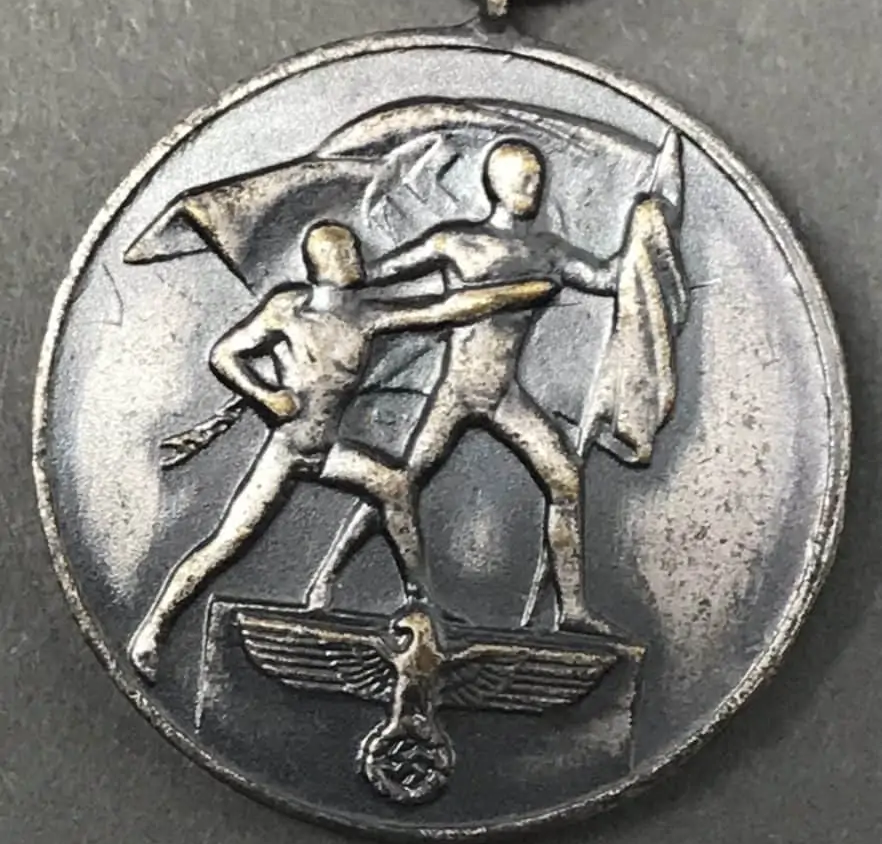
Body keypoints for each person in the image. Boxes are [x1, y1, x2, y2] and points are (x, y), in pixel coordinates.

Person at [128, 220, 557, 681]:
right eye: (347, 251)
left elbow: (446, 308)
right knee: (227, 543)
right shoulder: (288, 309)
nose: (357, 257)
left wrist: (520, 293)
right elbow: (224, 355)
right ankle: (154, 630)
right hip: (288, 449)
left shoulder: (366, 315)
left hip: (329, 450)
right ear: (324, 263)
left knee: (394, 486)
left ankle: (422, 599)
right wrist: (266, 396)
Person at [308, 140, 621, 633]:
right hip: (457, 392)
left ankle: (575, 611)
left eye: (537, 177)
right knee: (401, 484)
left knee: (565, 479)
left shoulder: (549, 252)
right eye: (523, 178)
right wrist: (329, 273)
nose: (534, 186)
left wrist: (646, 231)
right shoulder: (454, 241)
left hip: (504, 395)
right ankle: (326, 580)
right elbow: (373, 277)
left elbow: (606, 278)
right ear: (496, 183)